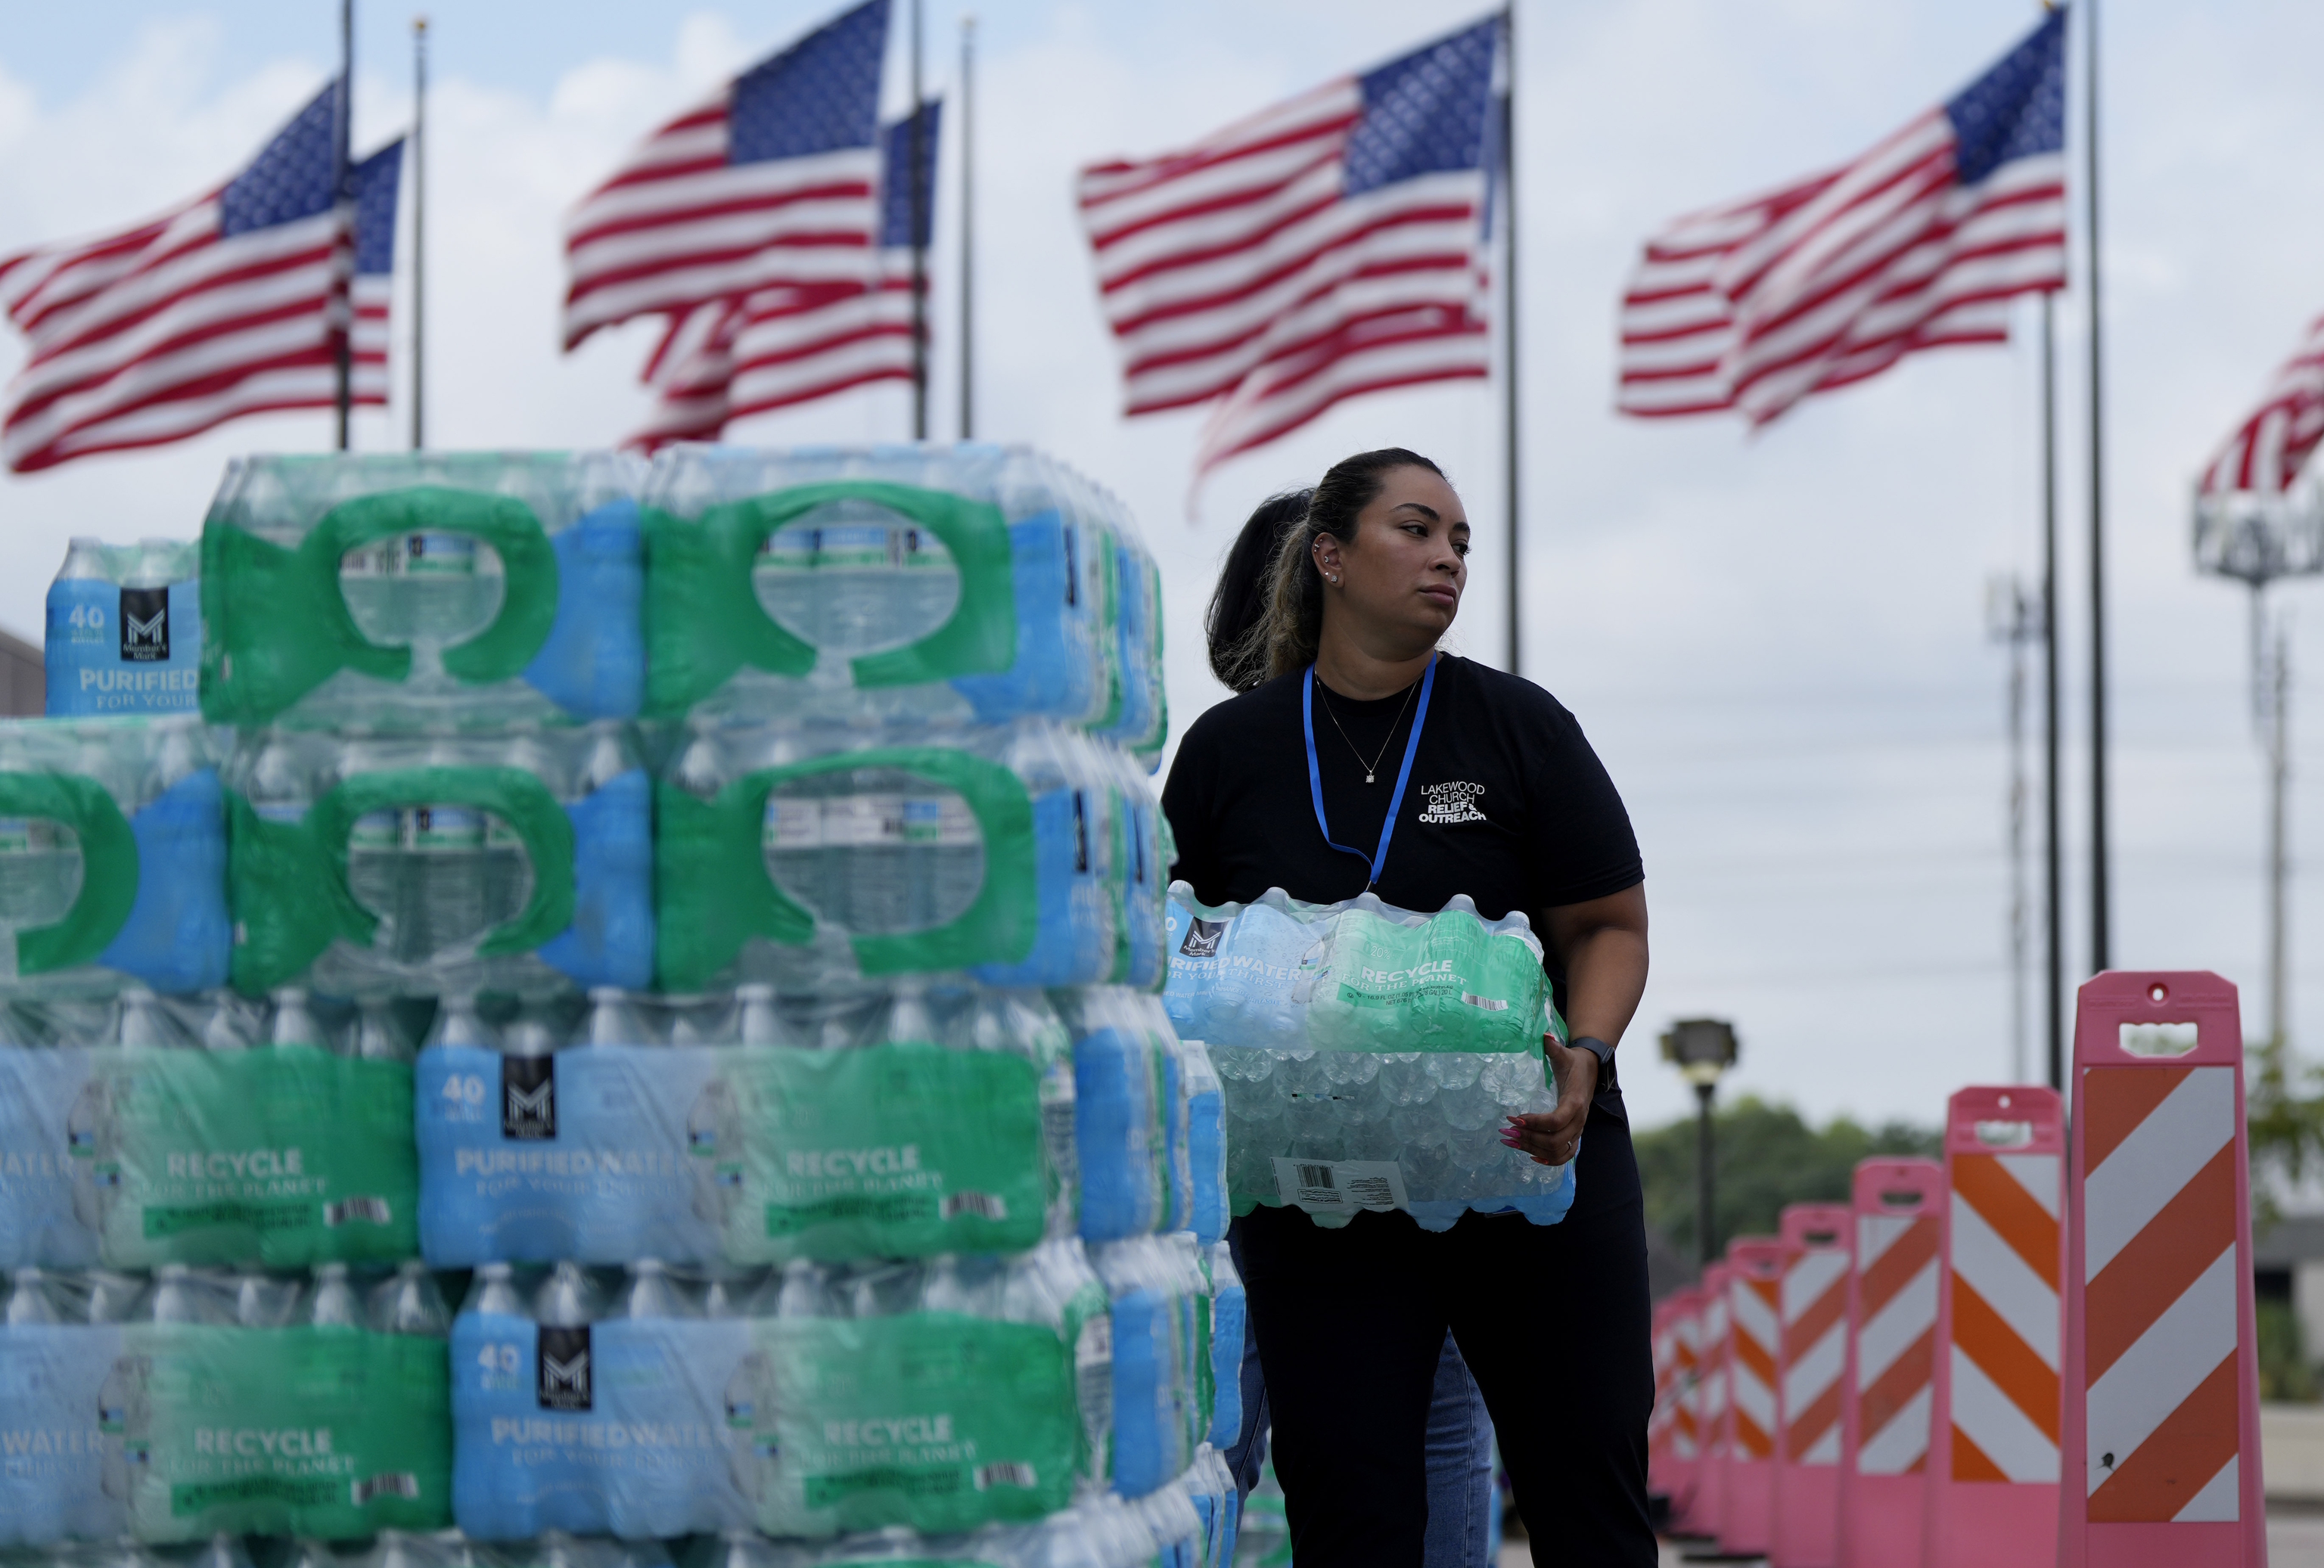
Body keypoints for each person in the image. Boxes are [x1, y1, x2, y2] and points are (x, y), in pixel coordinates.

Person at [1164, 449, 1654, 1566]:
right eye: (1417, 530)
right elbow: (1175, 952)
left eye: (1461, 542)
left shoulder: (1519, 727)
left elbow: (1608, 928)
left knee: (1590, 1497)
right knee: (1352, 1509)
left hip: (1527, 1157)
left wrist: (1587, 1049)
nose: (1447, 558)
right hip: (1326, 1192)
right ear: (1329, 557)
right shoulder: (1229, 751)